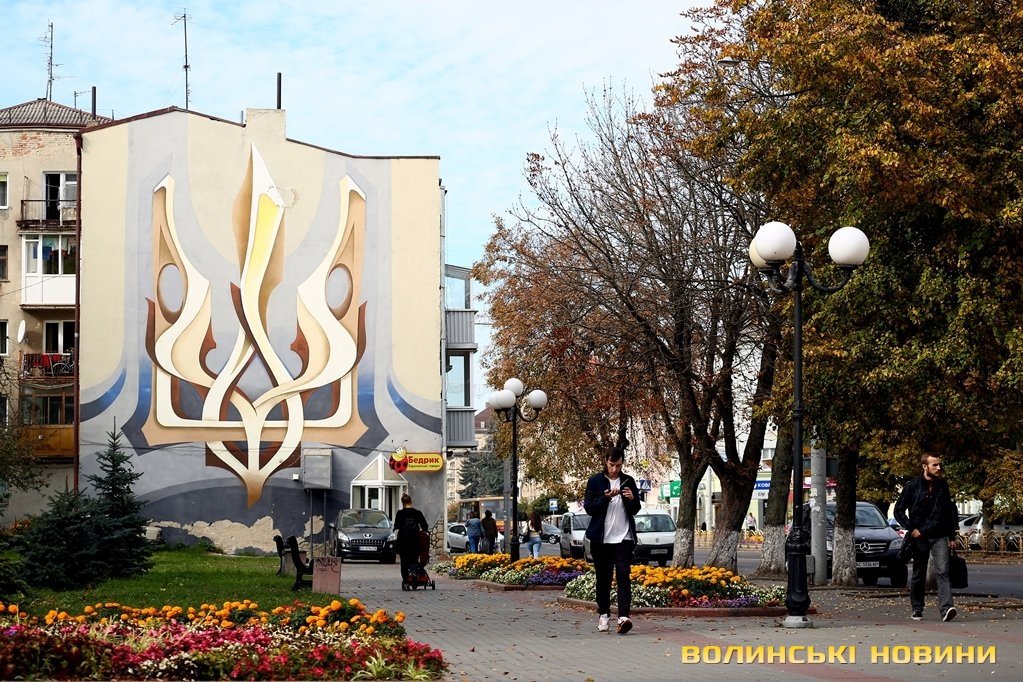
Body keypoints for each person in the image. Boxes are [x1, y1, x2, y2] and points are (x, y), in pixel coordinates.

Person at [894, 453, 959, 622]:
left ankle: (947, 608)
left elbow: (948, 511)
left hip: (939, 535)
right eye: (935, 465)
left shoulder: (942, 485)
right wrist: (911, 529)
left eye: (939, 465)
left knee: (943, 571)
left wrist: (952, 536)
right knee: (919, 573)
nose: (939, 468)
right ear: (925, 466)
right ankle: (917, 608)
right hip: (919, 537)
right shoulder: (912, 486)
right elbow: (898, 510)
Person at [584, 446, 641, 634]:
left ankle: (623, 617)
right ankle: (604, 614)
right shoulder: (595, 481)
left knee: (624, 576)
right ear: (605, 462)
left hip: (624, 538)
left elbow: (635, 509)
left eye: (618, 465)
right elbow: (589, 508)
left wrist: (632, 499)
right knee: (603, 579)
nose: (614, 469)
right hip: (601, 540)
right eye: (611, 465)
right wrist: (605, 498)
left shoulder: (628, 481)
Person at [392, 493, 428, 586]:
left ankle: (406, 581)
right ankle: (414, 575)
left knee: (404, 561)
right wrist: (423, 530)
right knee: (414, 559)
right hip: (414, 540)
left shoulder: (400, 513)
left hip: (403, 540)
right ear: (411, 501)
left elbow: (397, 525)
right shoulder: (417, 513)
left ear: (402, 503)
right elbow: (425, 526)